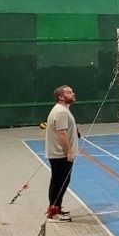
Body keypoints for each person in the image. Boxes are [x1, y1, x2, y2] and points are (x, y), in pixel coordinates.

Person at [45, 85, 79, 222]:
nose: (73, 94)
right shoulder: (61, 112)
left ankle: (56, 208)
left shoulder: (63, 110)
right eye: (69, 92)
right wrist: (69, 151)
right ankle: (53, 212)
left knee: (60, 181)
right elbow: (61, 133)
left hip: (60, 154)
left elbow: (65, 129)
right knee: (59, 182)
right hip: (60, 154)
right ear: (61, 97)